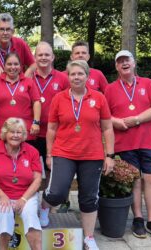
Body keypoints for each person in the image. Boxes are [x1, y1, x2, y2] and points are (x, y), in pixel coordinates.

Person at [40, 60, 115, 250]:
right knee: (57, 192)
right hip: (63, 152)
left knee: (89, 197)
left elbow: (107, 128)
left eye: (80, 74)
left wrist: (110, 156)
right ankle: (44, 208)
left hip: (92, 155)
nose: (76, 77)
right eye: (72, 74)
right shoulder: (58, 98)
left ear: (87, 76)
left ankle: (89, 237)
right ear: (67, 76)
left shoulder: (99, 98)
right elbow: (51, 129)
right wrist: (49, 154)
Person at [104, 50, 151, 241]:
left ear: (134, 62)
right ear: (116, 66)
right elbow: (104, 115)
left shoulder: (147, 83)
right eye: (119, 61)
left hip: (147, 141)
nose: (124, 64)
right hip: (124, 142)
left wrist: (136, 119)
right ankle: (138, 218)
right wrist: (116, 122)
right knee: (135, 180)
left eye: (126, 60)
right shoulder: (110, 89)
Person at [0, 117, 42, 250]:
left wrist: (23, 199)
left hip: (26, 194)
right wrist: (2, 196)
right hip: (0, 194)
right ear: (5, 133)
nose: (16, 135)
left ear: (24, 135)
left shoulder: (32, 151)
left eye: (19, 132)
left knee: (31, 216)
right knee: (4, 213)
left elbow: (37, 179)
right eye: (12, 132)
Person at [31, 41, 69, 182]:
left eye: (47, 54)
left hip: (56, 133)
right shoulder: (28, 78)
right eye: (40, 55)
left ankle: (55, 202)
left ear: (53, 57)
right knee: (35, 172)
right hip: (33, 134)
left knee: (54, 171)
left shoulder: (63, 79)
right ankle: (38, 203)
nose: (43, 57)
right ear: (35, 58)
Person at [0, 52, 41, 143]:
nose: (12, 67)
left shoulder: (28, 82)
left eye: (16, 64)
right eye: (9, 64)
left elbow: (36, 102)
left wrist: (36, 122)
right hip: (3, 131)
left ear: (21, 66)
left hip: (25, 131)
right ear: (4, 65)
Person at [0, 13, 36, 77]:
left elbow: (34, 64)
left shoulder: (21, 43)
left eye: (8, 29)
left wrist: (29, 71)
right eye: (2, 29)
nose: (5, 33)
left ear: (13, 32)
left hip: (18, 84)